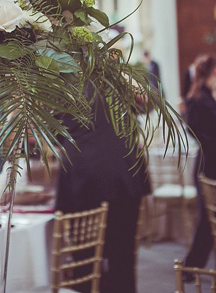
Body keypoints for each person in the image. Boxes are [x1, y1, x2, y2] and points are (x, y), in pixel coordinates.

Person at [54, 93, 151, 293]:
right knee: (122, 258)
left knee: (85, 258)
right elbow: (146, 106)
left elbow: (54, 133)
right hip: (124, 175)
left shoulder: (64, 84)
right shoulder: (114, 81)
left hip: (87, 179)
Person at [182, 54, 216, 269]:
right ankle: (192, 265)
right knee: (209, 216)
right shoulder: (197, 96)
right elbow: (193, 130)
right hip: (207, 160)